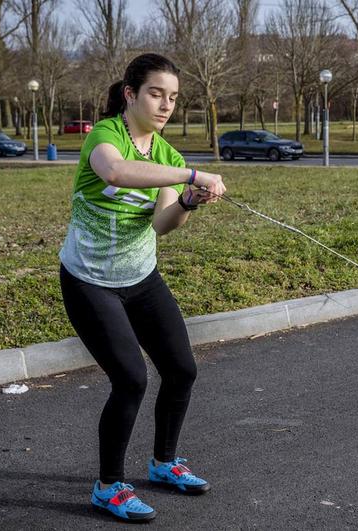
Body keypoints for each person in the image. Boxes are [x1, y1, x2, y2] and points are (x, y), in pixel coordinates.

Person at [58, 53, 226, 522]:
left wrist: (190, 201)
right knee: (131, 378)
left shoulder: (168, 155)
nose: (165, 104)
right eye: (156, 93)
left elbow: (162, 223)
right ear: (131, 94)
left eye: (173, 97)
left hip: (140, 277)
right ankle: (108, 486)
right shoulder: (105, 135)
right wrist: (193, 175)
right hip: (89, 281)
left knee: (181, 370)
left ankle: (164, 463)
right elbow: (116, 172)